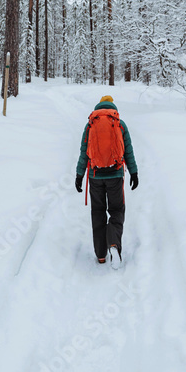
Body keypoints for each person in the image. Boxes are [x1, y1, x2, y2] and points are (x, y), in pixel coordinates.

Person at [75, 95, 138, 267]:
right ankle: (114, 243)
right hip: (115, 175)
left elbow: (83, 153)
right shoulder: (119, 124)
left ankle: (101, 254)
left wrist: (79, 175)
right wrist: (134, 172)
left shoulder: (90, 125)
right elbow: (128, 151)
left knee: (98, 212)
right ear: (113, 108)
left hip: (95, 176)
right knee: (117, 210)